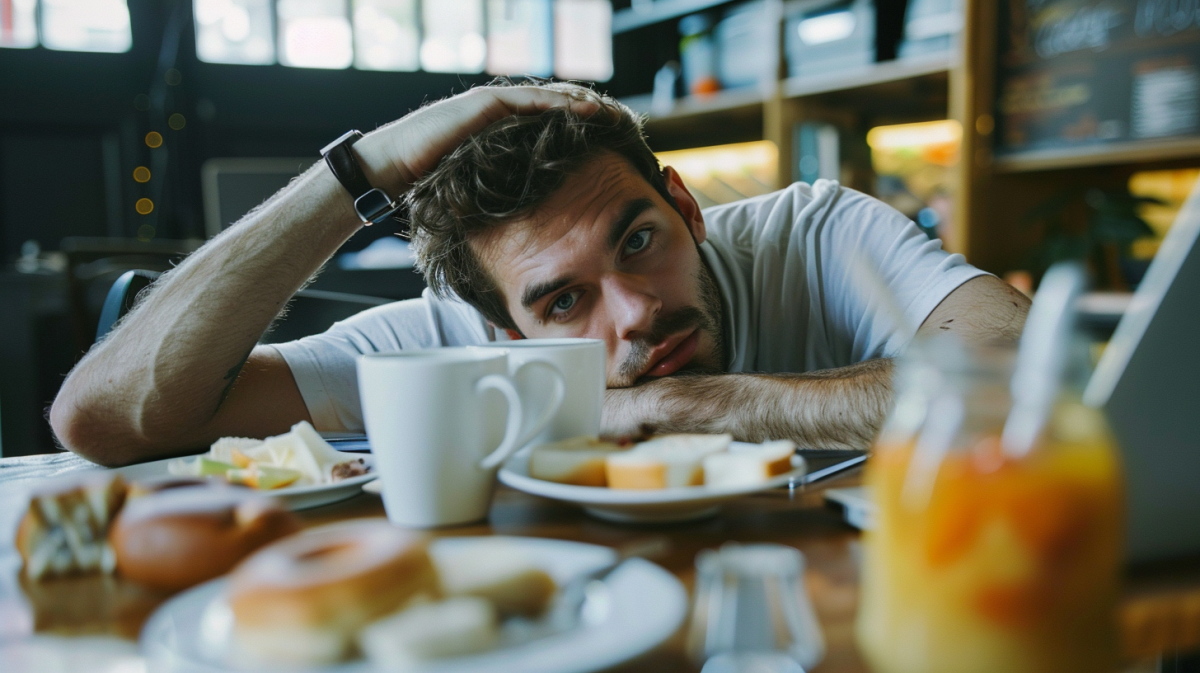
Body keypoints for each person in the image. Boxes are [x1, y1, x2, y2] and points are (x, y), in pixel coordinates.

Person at [50, 83, 1029, 467]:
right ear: (505, 334)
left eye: (640, 239)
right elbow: (106, 416)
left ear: (685, 204)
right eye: (565, 299)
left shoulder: (816, 232)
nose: (638, 310)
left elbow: (1030, 375)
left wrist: (690, 405)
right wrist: (358, 170)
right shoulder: (442, 351)